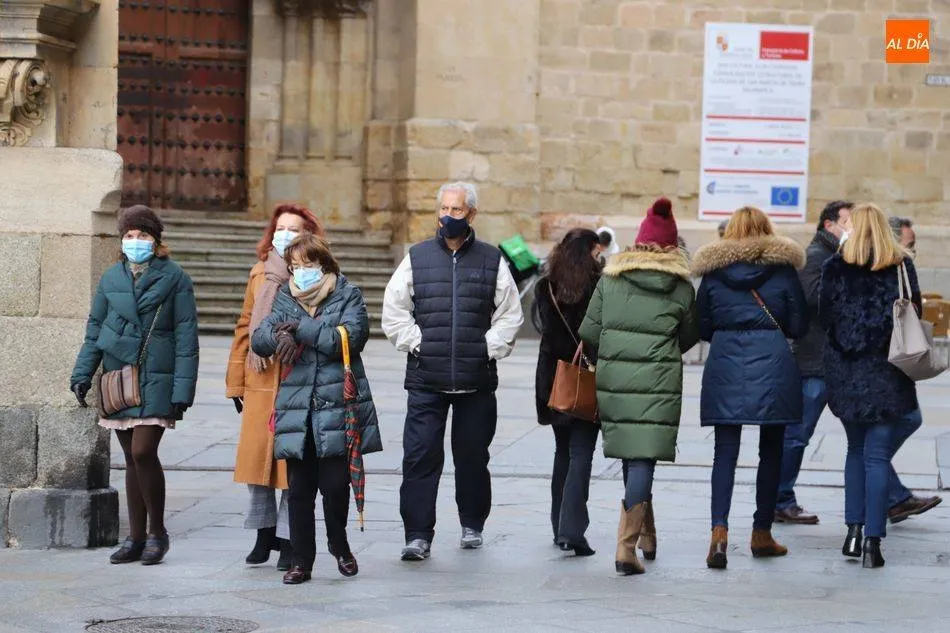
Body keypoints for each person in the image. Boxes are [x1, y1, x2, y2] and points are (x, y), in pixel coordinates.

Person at [382, 181, 524, 561]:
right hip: (426, 379)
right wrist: (418, 343)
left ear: (471, 214)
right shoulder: (417, 257)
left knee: (473, 456)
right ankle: (417, 534)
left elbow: (510, 315)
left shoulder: (493, 260)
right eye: (443, 209)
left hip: (475, 382)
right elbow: (393, 311)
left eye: (456, 210)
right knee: (420, 456)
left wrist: (486, 349)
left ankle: (472, 523)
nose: (448, 216)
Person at [71, 205, 199, 566]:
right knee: (130, 458)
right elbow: (95, 329)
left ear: (156, 240)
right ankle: (136, 538)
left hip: (157, 376)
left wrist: (182, 391)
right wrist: (82, 373)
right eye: (129, 235)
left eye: (142, 235)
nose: (135, 241)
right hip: (119, 377)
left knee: (144, 451)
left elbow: (187, 337)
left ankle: (158, 532)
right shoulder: (111, 279)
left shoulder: (175, 278)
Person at [251, 232, 382, 584]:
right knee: (299, 489)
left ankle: (339, 544)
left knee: (336, 485)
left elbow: (353, 337)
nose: (299, 273)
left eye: (306, 265)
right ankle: (301, 560)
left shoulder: (347, 294)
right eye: (294, 266)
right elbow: (259, 337)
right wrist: (279, 336)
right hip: (296, 407)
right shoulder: (284, 296)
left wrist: (304, 329)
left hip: (337, 404)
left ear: (322, 263)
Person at [580, 197, 699, 576]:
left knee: (634, 455)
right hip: (659, 379)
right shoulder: (681, 288)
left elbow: (589, 332)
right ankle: (625, 548)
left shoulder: (610, 280)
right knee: (643, 455)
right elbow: (689, 336)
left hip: (614, 378)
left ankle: (645, 537)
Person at [690, 206, 808, 570]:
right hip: (772, 362)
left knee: (724, 451)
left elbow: (701, 325)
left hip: (725, 361)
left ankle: (719, 533)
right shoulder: (783, 270)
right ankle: (761, 533)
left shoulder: (713, 273)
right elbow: (799, 324)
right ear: (766, 231)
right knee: (771, 450)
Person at [820, 203, 922, 568]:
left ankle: (853, 531)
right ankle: (873, 543)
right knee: (877, 457)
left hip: (847, 375)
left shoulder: (834, 266)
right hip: (887, 374)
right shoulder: (899, 266)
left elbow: (825, 318)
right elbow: (916, 313)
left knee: (855, 451)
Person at [226, 203, 324, 570]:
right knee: (257, 464)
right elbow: (244, 326)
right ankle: (262, 532)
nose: (284, 235)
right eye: (279, 228)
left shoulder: (314, 275)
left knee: (289, 465)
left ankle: (287, 537)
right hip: (260, 379)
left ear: (307, 235)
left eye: (293, 229)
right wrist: (236, 379)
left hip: (295, 379)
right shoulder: (259, 274)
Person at [775, 201, 852, 525]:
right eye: (848, 221)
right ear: (829, 225)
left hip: (831, 359)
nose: (852, 228)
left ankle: (894, 497)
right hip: (813, 361)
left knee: (862, 431)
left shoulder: (831, 256)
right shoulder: (818, 256)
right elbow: (814, 300)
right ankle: (780, 498)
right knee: (797, 432)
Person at [533, 228, 604, 557]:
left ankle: (557, 526)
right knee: (581, 454)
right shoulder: (599, 286)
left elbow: (545, 333)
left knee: (563, 453)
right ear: (589, 250)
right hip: (586, 376)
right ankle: (572, 530)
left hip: (553, 378)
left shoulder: (546, 285)